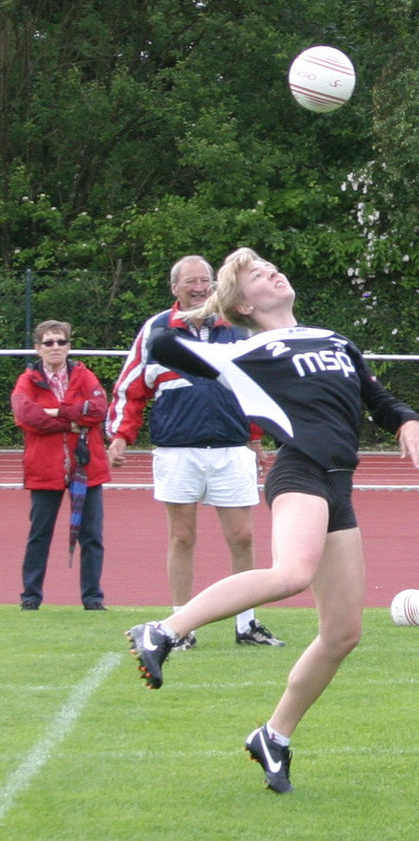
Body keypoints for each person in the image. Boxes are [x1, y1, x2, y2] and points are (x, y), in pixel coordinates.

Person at [126, 247, 419, 793]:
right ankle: (164, 630)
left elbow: (378, 400)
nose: (271, 272)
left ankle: (274, 736)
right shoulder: (245, 352)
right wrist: (204, 309)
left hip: (338, 483)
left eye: (270, 266)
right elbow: (161, 343)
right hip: (300, 473)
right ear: (243, 303)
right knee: (291, 573)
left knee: (343, 634)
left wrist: (408, 421)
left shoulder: (336, 340)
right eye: (254, 275)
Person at [106, 255, 283, 649]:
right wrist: (120, 435)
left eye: (206, 281)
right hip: (177, 451)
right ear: (175, 288)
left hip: (231, 448)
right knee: (182, 538)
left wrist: (256, 438)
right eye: (191, 282)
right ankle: (180, 627)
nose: (200, 288)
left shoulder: (237, 327)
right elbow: (131, 388)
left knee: (241, 537)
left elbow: (255, 387)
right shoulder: (156, 329)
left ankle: (246, 623)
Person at [12, 321, 110, 610]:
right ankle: (31, 597)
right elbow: (27, 416)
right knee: (39, 535)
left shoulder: (85, 376)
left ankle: (92, 598)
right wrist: (74, 421)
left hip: (86, 467)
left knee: (92, 536)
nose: (55, 347)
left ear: (69, 346)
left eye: (61, 342)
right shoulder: (27, 380)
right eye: (49, 342)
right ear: (38, 348)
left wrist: (55, 412)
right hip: (44, 468)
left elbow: (98, 410)